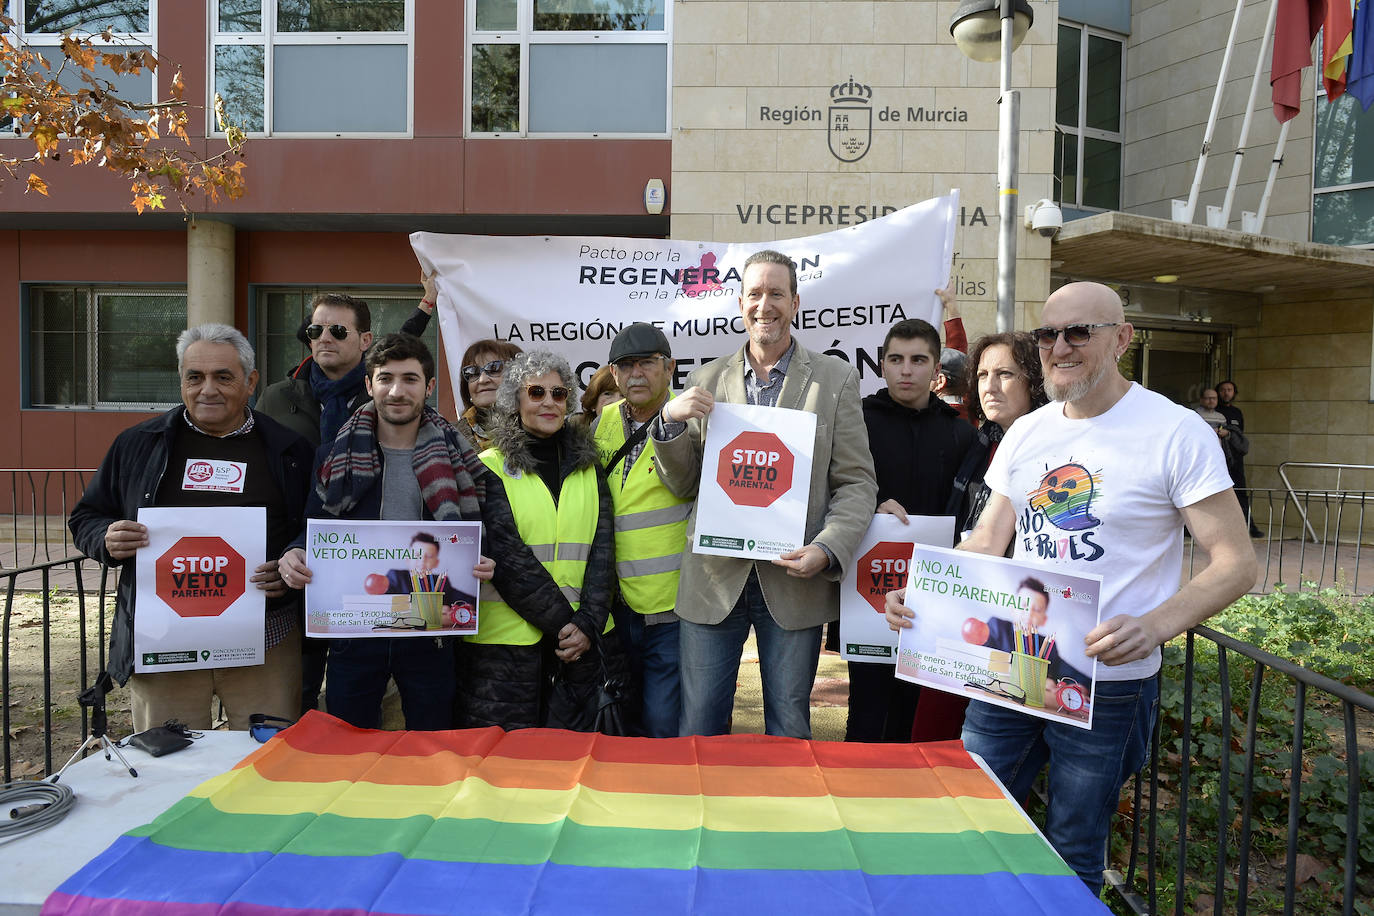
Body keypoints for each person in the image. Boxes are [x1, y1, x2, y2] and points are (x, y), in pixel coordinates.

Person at [886, 281, 1256, 894]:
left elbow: (1237, 563)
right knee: (966, 818)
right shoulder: (1028, 432)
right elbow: (987, 540)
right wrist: (922, 593)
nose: (1061, 346)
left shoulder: (1174, 431)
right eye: (1049, 334)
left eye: (1079, 331)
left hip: (1106, 682)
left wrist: (1155, 626)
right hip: (1013, 664)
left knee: (1073, 849)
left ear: (1121, 339)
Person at [277, 334, 570, 730]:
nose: (397, 391)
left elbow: (487, 536)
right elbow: (313, 527)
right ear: (369, 385)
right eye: (386, 379)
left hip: (431, 630)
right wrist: (295, 552)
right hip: (355, 630)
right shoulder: (333, 455)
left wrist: (481, 562)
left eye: (410, 379)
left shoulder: (464, 459)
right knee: (348, 745)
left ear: (429, 387)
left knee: (432, 747)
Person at [652, 249, 878, 739]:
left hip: (793, 584)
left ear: (795, 302)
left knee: (790, 728)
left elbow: (856, 483)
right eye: (755, 294)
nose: (764, 305)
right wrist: (669, 423)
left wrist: (828, 547)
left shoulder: (835, 380)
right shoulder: (705, 380)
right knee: (699, 726)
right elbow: (684, 483)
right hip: (713, 581)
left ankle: (785, 815)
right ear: (740, 303)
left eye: (776, 293)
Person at [69, 324, 313, 731]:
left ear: (251, 382)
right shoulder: (137, 444)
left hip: (265, 640)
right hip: (164, 644)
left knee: (265, 764)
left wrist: (290, 564)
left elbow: (313, 528)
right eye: (194, 377)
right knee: (166, 764)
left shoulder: (290, 450)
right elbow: (86, 517)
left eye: (223, 377)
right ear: (181, 381)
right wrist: (106, 538)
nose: (208, 390)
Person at [258, 289, 433, 712]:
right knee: (294, 694)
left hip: (364, 573)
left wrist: (426, 306)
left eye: (338, 330)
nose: (324, 338)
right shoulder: (280, 397)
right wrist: (287, 547)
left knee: (366, 695)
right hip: (295, 559)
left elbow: (403, 351)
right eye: (315, 329)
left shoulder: (383, 399)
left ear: (365, 342)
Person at [460, 349, 619, 730]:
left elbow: (603, 554)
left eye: (558, 393)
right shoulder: (489, 467)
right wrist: (571, 626)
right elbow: (508, 558)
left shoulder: (590, 467)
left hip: (580, 645)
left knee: (574, 768)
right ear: (515, 402)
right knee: (506, 769)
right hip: (507, 651)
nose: (549, 401)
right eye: (536, 392)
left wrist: (588, 625)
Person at [910, 331, 1048, 742]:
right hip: (968, 605)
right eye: (983, 373)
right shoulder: (982, 439)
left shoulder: (1049, 445)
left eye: (1005, 373)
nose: (989, 385)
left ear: (1034, 381)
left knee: (997, 753)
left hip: (1018, 621)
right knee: (935, 732)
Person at [847, 317, 975, 742]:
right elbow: (828, 489)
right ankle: (855, 794)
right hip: (867, 591)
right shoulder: (856, 421)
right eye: (896, 359)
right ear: (881, 364)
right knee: (866, 709)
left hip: (935, 592)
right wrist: (868, 502)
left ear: (936, 368)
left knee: (919, 713)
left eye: (918, 360)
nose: (906, 370)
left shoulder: (960, 434)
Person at [593, 323, 690, 738]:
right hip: (616, 607)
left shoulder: (692, 421)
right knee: (624, 721)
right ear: (612, 375)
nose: (637, 374)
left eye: (647, 364)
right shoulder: (604, 423)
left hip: (672, 607)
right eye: (626, 365)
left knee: (662, 726)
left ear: (669, 368)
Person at [454, 338, 523, 451]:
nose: (482, 380)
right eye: (473, 372)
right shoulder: (448, 438)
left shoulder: (542, 432)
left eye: (494, 368)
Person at [382, 532, 477, 612]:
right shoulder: (395, 576)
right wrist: (435, 609)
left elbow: (471, 602)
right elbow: (383, 604)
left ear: (436, 563)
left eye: (429, 556)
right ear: (408, 559)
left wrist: (461, 608)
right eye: (417, 555)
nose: (422, 560)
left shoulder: (441, 582)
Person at [1215, 379, 1262, 538]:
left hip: (1235, 459)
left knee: (1240, 492)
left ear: (1234, 393)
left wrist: (1229, 433)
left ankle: (1249, 526)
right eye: (1223, 390)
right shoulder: (1212, 411)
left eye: (1229, 390)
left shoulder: (1237, 412)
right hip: (1218, 459)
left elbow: (1240, 435)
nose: (1226, 393)